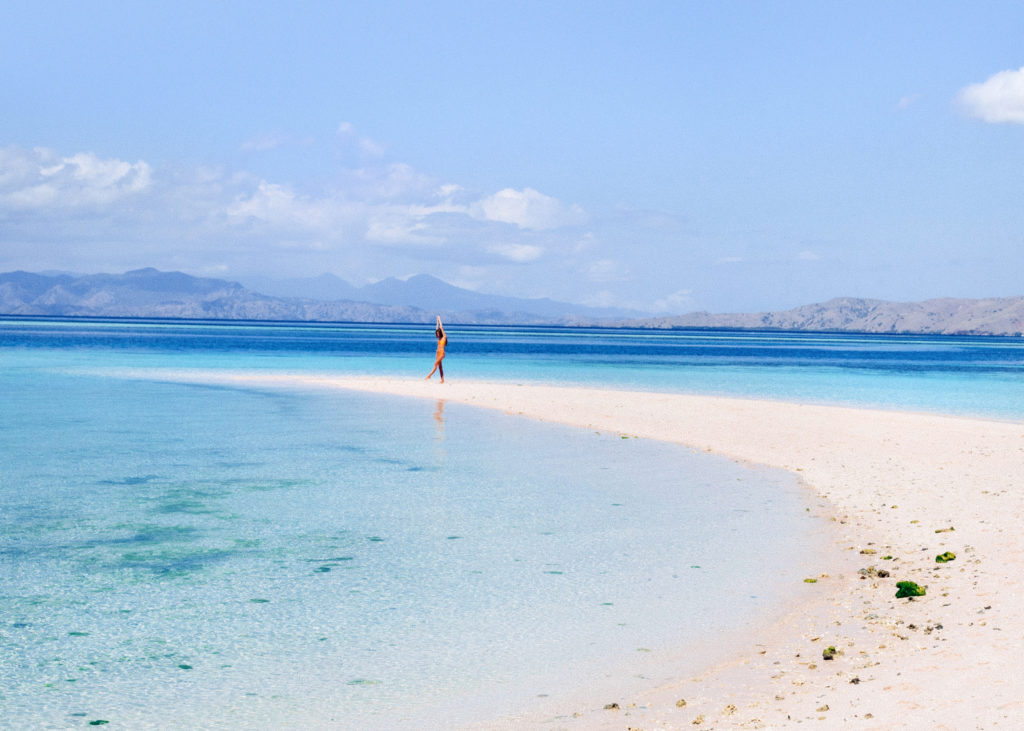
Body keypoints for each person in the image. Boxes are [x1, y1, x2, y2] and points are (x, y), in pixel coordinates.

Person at [425, 315, 447, 382]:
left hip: (442, 354)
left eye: (438, 333)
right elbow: (437, 328)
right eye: (436, 334)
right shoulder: (439, 339)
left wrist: (439, 320)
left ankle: (429, 376)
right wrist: (437, 321)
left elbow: (441, 327)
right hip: (437, 353)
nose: (437, 334)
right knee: (440, 367)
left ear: (440, 333)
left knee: (435, 364)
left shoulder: (444, 338)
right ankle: (442, 380)